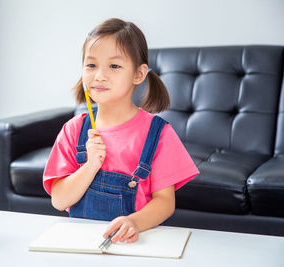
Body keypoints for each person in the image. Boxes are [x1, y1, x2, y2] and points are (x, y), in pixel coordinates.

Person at [43, 18, 199, 244]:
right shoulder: (73, 130)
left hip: (136, 244)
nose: (99, 75)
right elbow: (59, 200)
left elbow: (165, 202)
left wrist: (134, 222)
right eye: (91, 65)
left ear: (139, 74)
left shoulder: (158, 133)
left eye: (114, 66)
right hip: (82, 245)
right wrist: (90, 166)